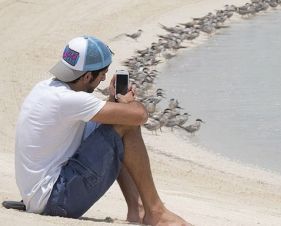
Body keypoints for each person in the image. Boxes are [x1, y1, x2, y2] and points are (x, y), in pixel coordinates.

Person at [14, 36, 189, 226]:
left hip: (39, 197)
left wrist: (114, 103)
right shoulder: (70, 100)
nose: (105, 78)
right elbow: (139, 116)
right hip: (56, 200)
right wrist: (128, 102)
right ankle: (155, 212)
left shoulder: (45, 88)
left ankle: (137, 209)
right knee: (126, 123)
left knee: (116, 122)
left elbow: (96, 128)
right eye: (102, 73)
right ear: (87, 76)